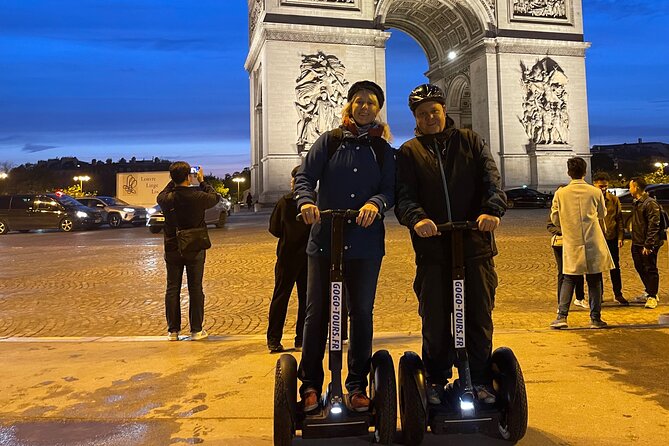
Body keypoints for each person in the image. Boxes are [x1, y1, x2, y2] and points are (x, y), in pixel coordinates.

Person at [394, 83, 507, 405]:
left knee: (479, 316)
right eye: (422, 113)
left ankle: (481, 379)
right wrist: (417, 219)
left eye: (434, 111)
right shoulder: (409, 152)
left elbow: (492, 182)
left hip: (475, 246)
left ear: (445, 111)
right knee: (435, 318)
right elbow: (404, 197)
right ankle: (435, 379)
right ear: (415, 117)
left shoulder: (470, 141)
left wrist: (491, 211)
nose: (430, 117)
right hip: (433, 250)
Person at [294, 80, 395, 413]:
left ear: (378, 108)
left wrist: (376, 203)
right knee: (316, 314)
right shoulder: (330, 140)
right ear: (349, 106)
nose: (364, 107)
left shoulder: (383, 149)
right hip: (324, 241)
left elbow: (391, 189)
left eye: (371, 102)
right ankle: (309, 384)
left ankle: (356, 386)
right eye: (358, 101)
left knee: (361, 315)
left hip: (365, 244)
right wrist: (306, 201)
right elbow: (305, 176)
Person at [157, 162, 220, 341]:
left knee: (172, 289)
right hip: (195, 246)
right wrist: (202, 180)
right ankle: (196, 330)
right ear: (188, 177)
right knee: (195, 288)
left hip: (172, 246)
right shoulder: (198, 196)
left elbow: (164, 192)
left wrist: (174, 180)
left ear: (171, 178)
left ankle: (173, 331)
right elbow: (215, 197)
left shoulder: (164, 199)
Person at [550, 157, 614, 329]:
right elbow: (602, 214)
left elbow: (555, 219)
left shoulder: (560, 193)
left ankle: (562, 316)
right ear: (585, 172)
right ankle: (595, 319)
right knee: (594, 280)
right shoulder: (595, 192)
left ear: (568, 172)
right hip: (593, 240)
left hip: (572, 240)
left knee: (569, 279)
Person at [266, 165, 310, 353]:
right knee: (306, 299)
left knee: (280, 297)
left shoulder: (284, 202)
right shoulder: (316, 202)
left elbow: (274, 229)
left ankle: (274, 340)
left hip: (287, 255)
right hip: (309, 256)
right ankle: (302, 339)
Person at [592, 172, 628, 305]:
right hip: (596, 239)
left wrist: (620, 236)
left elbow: (619, 219)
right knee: (597, 268)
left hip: (611, 237)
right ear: (594, 184)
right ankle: (598, 295)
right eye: (600, 186)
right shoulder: (591, 200)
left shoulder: (614, 199)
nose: (603, 189)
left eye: (605, 186)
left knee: (615, 267)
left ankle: (618, 294)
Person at [628, 177, 662, 309]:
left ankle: (653, 296)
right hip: (637, 241)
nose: (629, 189)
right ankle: (649, 291)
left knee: (650, 268)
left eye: (630, 186)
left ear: (636, 187)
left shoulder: (649, 203)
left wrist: (648, 244)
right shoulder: (636, 202)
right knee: (640, 267)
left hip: (646, 243)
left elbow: (654, 225)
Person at [547, 212, 586, 307]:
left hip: (574, 242)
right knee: (562, 272)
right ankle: (561, 303)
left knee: (578, 269)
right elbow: (550, 226)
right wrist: (562, 231)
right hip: (560, 244)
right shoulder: (556, 207)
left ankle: (580, 298)